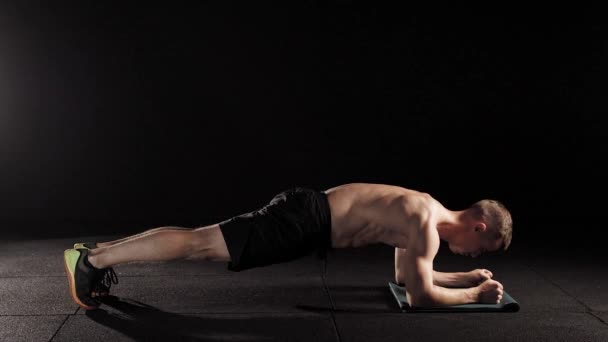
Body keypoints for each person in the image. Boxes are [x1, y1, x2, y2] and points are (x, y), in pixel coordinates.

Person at [63, 183, 513, 310]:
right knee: (198, 245)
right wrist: (473, 295)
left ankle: (96, 250)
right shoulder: (425, 227)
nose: (478, 258)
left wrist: (462, 277)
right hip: (306, 221)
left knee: (199, 240)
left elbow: (405, 277)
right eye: (483, 250)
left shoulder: (424, 212)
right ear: (478, 225)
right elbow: (419, 295)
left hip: (308, 213)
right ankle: (94, 260)